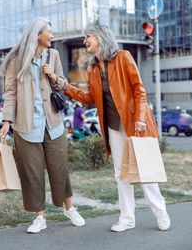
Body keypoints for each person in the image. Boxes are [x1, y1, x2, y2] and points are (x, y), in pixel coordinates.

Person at [64, 24, 170, 232]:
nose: (85, 41)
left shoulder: (123, 57)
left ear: (101, 38)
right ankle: (127, 218)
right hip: (113, 126)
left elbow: (139, 90)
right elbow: (90, 99)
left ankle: (160, 211)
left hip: (134, 123)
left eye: (89, 37)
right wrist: (65, 87)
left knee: (145, 170)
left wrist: (140, 117)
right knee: (121, 173)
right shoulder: (92, 69)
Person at [0, 18, 85, 233]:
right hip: (26, 126)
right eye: (49, 31)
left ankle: (69, 207)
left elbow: (64, 85)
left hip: (53, 123)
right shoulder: (16, 61)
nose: (52, 34)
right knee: (32, 173)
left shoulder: (53, 55)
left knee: (60, 168)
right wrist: (7, 121)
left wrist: (54, 76)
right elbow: (10, 94)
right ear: (38, 35)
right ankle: (39, 217)